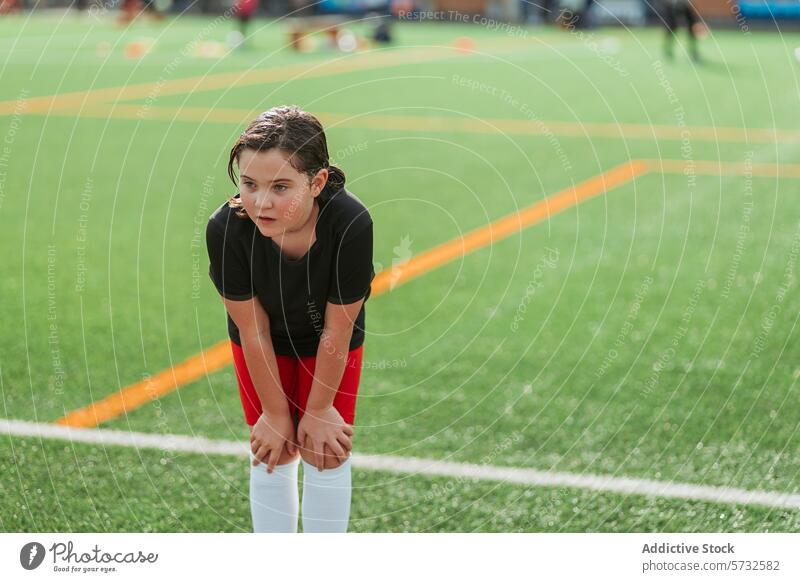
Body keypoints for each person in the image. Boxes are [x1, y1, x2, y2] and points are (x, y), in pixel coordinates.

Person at [205, 106, 375, 533]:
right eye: (249, 184)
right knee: (273, 449)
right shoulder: (226, 229)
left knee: (325, 449)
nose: (261, 202)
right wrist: (278, 414)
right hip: (261, 343)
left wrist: (317, 409)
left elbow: (337, 327)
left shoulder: (350, 222)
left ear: (316, 182)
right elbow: (252, 328)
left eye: (281, 187)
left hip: (331, 342)